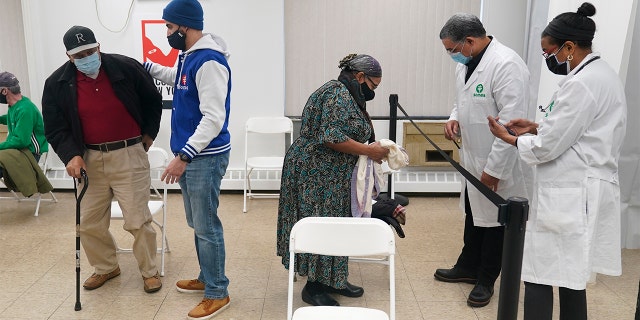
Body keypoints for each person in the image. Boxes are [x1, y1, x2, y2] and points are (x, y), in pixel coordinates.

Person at [488, 3, 627, 319]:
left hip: (571, 191)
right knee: (570, 276)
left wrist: (508, 137)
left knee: (541, 271)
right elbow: (583, 129)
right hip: (583, 187)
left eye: (547, 52)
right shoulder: (602, 74)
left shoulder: (581, 84)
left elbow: (548, 146)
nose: (547, 59)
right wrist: (536, 126)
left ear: (569, 47)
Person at [41, 25, 163, 293]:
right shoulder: (56, 83)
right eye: (79, 55)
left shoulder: (126, 68)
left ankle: (150, 271)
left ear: (98, 47)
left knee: (137, 219)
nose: (86, 58)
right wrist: (71, 155)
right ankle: (106, 267)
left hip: (128, 154)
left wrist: (149, 134)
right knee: (88, 222)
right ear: (68, 56)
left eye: (90, 51)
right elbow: (55, 127)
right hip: (88, 159)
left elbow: (152, 100)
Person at [434, 13, 533, 308]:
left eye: (452, 49)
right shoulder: (468, 62)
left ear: (471, 41)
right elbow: (462, 100)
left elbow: (511, 123)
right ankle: (467, 266)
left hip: (498, 159)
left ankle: (486, 279)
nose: (451, 54)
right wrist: (454, 118)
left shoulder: (507, 65)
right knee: (472, 212)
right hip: (473, 155)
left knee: (495, 222)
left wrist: (494, 170)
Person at [276, 54, 389, 307]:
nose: (372, 92)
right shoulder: (337, 94)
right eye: (373, 86)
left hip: (330, 174)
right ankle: (314, 288)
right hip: (314, 174)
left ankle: (334, 279)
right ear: (360, 77)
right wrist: (369, 151)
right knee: (322, 224)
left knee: (339, 222)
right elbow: (331, 137)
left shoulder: (348, 93)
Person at [143, 0, 232, 319]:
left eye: (169, 27)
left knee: (207, 225)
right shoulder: (189, 57)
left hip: (203, 158)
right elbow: (178, 80)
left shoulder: (209, 62)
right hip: (194, 157)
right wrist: (148, 67)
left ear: (185, 26)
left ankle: (218, 291)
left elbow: (213, 118)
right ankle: (207, 276)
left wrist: (183, 156)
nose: (167, 33)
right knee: (198, 223)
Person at [0, 71, 48, 163]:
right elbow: (13, 118)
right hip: (18, 150)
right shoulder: (16, 105)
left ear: (5, 91)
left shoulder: (25, 109)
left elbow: (21, 141)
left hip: (29, 153)